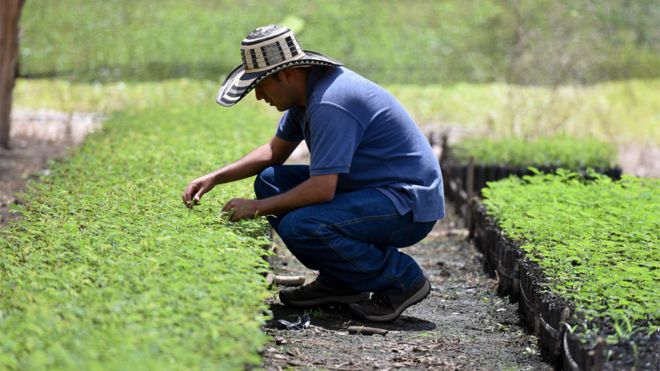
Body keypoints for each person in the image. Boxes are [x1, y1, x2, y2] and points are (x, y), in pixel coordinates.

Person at [182, 24, 445, 322]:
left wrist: (257, 208)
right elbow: (274, 153)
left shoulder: (330, 103)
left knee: (302, 227)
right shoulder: (305, 98)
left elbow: (322, 189)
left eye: (260, 86)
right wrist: (215, 177)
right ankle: (342, 282)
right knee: (271, 181)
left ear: (286, 75)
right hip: (370, 190)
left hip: (405, 204)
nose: (258, 97)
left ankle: (402, 278)